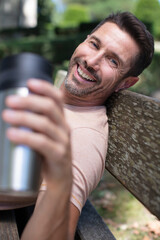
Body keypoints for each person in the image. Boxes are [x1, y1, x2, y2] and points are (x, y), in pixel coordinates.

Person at [1, 11, 154, 240]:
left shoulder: (83, 138)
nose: (91, 61)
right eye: (94, 44)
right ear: (84, 40)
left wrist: (59, 183)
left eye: (113, 60)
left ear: (126, 83)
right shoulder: (57, 100)